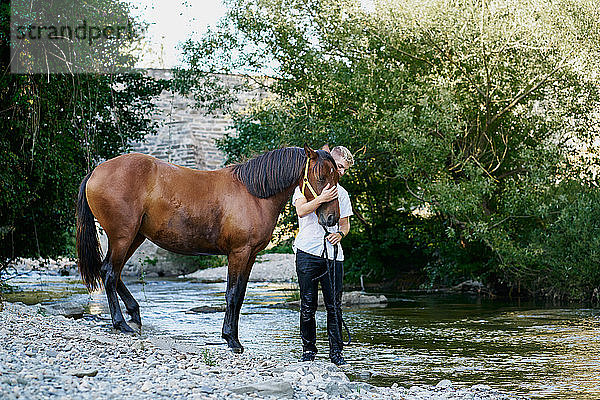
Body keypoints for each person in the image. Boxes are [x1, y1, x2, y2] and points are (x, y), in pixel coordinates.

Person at [292, 145, 354, 366]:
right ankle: (308, 351)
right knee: (307, 305)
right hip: (307, 252)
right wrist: (322, 198)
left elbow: (345, 225)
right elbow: (301, 211)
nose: (341, 172)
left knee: (334, 306)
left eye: (344, 169)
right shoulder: (303, 187)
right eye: (339, 166)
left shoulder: (343, 194)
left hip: (333, 257)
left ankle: (336, 353)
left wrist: (340, 234)